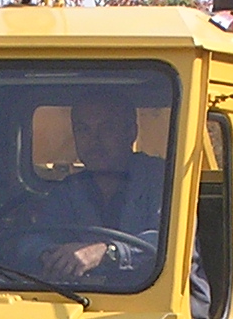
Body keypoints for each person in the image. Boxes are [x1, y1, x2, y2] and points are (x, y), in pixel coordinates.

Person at [30, 97, 166, 282]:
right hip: (88, 299)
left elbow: (170, 241)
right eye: (83, 130)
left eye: (107, 128)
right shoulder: (69, 190)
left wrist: (106, 252)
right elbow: (33, 238)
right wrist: (47, 254)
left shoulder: (163, 179)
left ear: (131, 132)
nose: (94, 141)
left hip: (162, 302)